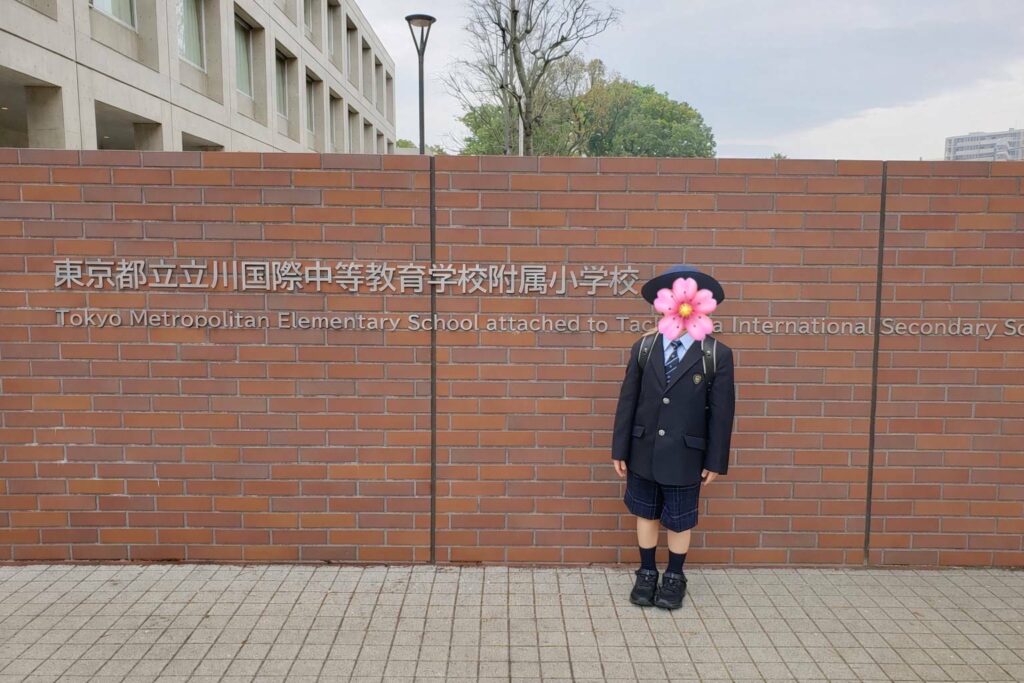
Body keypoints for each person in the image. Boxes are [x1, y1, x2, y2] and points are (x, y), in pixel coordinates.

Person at [611, 264, 736, 609]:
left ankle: (675, 576)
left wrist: (715, 460)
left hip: (686, 454)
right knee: (646, 513)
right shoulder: (644, 348)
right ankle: (647, 572)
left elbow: (722, 413)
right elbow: (628, 400)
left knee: (680, 519)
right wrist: (620, 448)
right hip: (643, 449)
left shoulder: (715, 354)